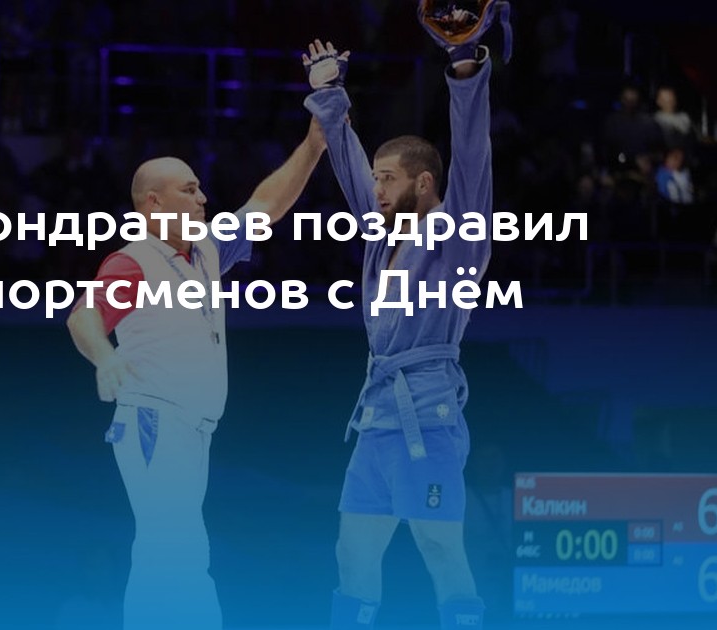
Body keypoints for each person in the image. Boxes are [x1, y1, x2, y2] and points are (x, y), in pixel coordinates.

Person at [65, 120, 327, 630]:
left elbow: (265, 205)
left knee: (170, 550)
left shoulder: (204, 248)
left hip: (189, 429)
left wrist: (314, 144)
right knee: (176, 549)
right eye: (189, 190)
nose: (204, 198)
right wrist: (106, 358)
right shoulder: (134, 262)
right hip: (154, 421)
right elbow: (83, 316)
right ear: (153, 204)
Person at [302, 29, 493, 629]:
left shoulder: (458, 236)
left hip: (427, 417)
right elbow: (348, 165)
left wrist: (463, 71)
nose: (377, 188)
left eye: (388, 179)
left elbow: (473, 158)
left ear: (424, 183)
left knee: (441, 550)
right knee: (352, 553)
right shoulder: (380, 235)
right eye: (377, 179)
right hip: (377, 418)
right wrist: (329, 94)